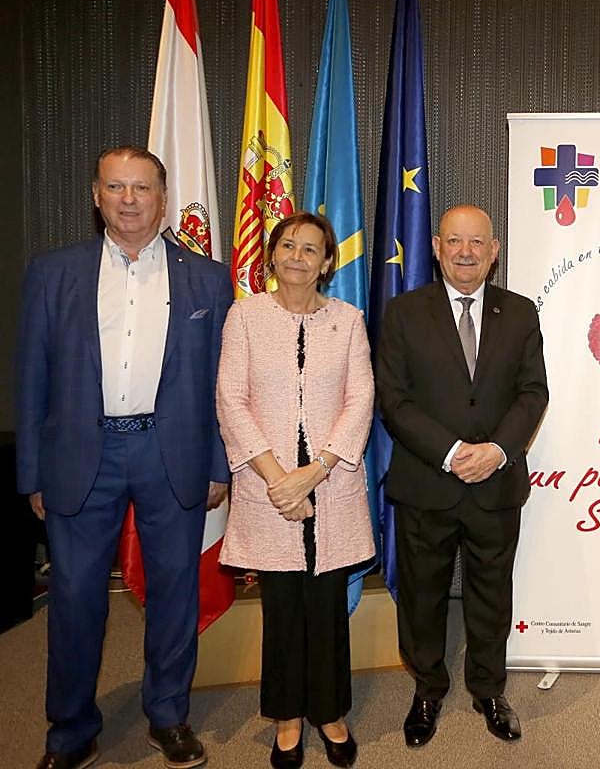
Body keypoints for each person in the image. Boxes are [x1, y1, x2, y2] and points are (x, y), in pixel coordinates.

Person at [17, 147, 232, 769]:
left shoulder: (207, 279)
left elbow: (221, 381)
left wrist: (219, 463)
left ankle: (168, 715)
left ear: (163, 200)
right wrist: (32, 471)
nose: (130, 199)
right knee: (77, 596)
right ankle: (71, 730)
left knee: (174, 594)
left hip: (174, 455)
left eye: (142, 188)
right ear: (97, 195)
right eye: (117, 187)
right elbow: (32, 376)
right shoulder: (53, 272)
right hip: (83, 455)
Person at [376, 204, 548, 746]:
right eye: (455, 241)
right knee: (423, 595)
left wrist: (498, 449)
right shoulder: (404, 312)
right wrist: (451, 451)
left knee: (492, 595)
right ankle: (427, 688)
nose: (466, 252)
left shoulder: (520, 313)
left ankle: (489, 689)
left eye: (477, 242)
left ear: (493, 250)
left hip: (496, 484)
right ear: (436, 246)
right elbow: (394, 401)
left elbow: (533, 392)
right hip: (427, 481)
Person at [216, 212, 374, 769]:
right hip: (268, 485)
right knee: (282, 606)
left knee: (327, 603)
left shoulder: (349, 320)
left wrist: (317, 470)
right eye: (288, 245)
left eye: (311, 249)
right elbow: (230, 400)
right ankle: (286, 716)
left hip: (330, 488)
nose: (299, 257)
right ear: (273, 255)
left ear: (328, 262)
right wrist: (280, 478)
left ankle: (329, 711)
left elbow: (361, 400)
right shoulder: (246, 316)